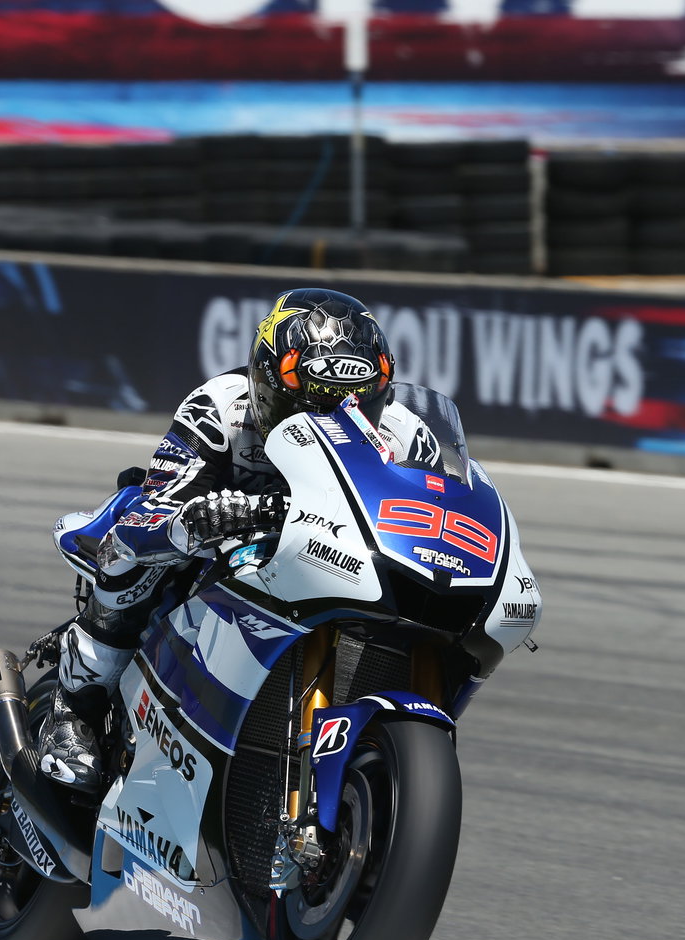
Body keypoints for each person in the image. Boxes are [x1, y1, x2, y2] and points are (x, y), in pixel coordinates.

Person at [39, 287, 447, 791]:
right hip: (215, 552)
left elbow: (437, 515)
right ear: (268, 380)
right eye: (314, 402)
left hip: (329, 553)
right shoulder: (220, 407)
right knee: (136, 548)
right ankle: (73, 708)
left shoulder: (410, 435)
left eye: (354, 403)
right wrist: (198, 519)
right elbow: (150, 509)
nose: (334, 419)